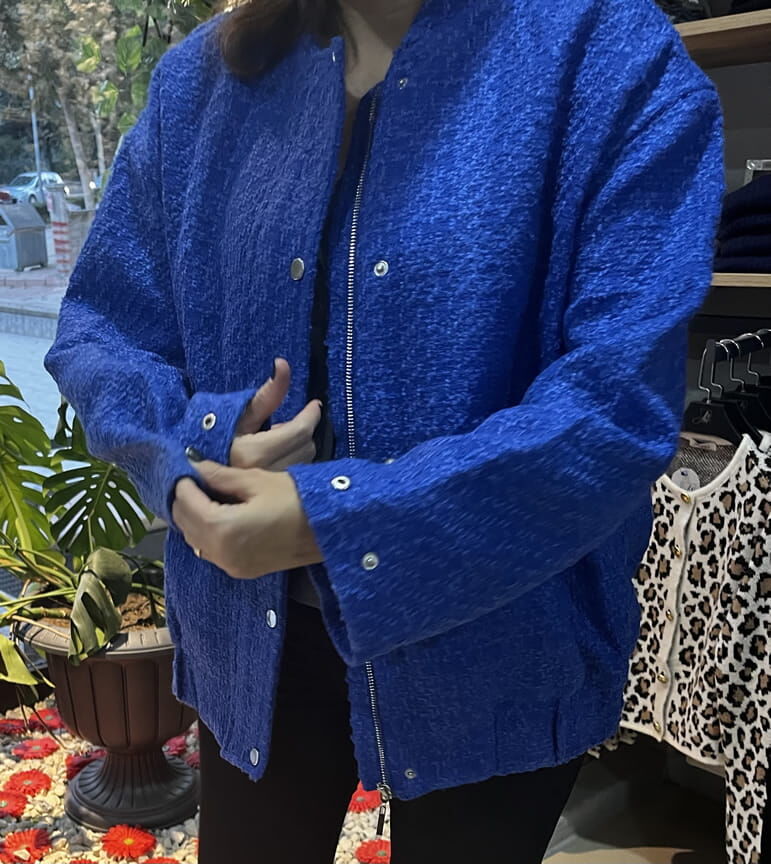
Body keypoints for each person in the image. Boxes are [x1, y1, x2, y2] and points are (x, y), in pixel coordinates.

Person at [44, 0, 725, 861]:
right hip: (249, 637)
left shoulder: (605, 53)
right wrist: (192, 451)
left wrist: (335, 520)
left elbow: (615, 405)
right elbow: (102, 328)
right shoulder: (202, 82)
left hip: (496, 635)